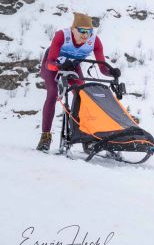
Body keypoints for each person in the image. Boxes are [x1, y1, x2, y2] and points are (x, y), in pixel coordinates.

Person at [37, 12, 120, 152]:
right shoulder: (62, 35)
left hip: (72, 66)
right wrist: (59, 66)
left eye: (89, 31)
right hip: (53, 65)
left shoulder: (95, 41)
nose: (85, 35)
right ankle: (45, 137)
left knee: (83, 97)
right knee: (53, 93)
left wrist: (112, 72)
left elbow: (102, 68)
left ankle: (86, 137)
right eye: (82, 30)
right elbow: (49, 63)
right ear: (73, 29)